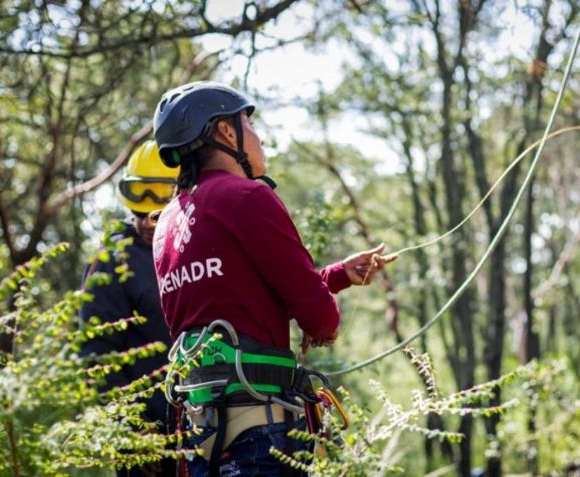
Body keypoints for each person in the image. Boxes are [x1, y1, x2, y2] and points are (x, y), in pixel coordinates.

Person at [151, 81, 395, 477]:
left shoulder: (168, 221)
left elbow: (229, 298)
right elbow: (321, 319)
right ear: (225, 131)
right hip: (260, 436)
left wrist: (334, 276)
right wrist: (323, 307)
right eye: (249, 124)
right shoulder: (247, 197)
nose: (259, 138)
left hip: (201, 436)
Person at [80, 140, 179, 477]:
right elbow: (95, 355)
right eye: (141, 193)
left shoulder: (193, 251)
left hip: (201, 428)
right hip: (145, 443)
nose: (150, 213)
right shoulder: (114, 260)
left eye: (162, 194)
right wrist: (130, 428)